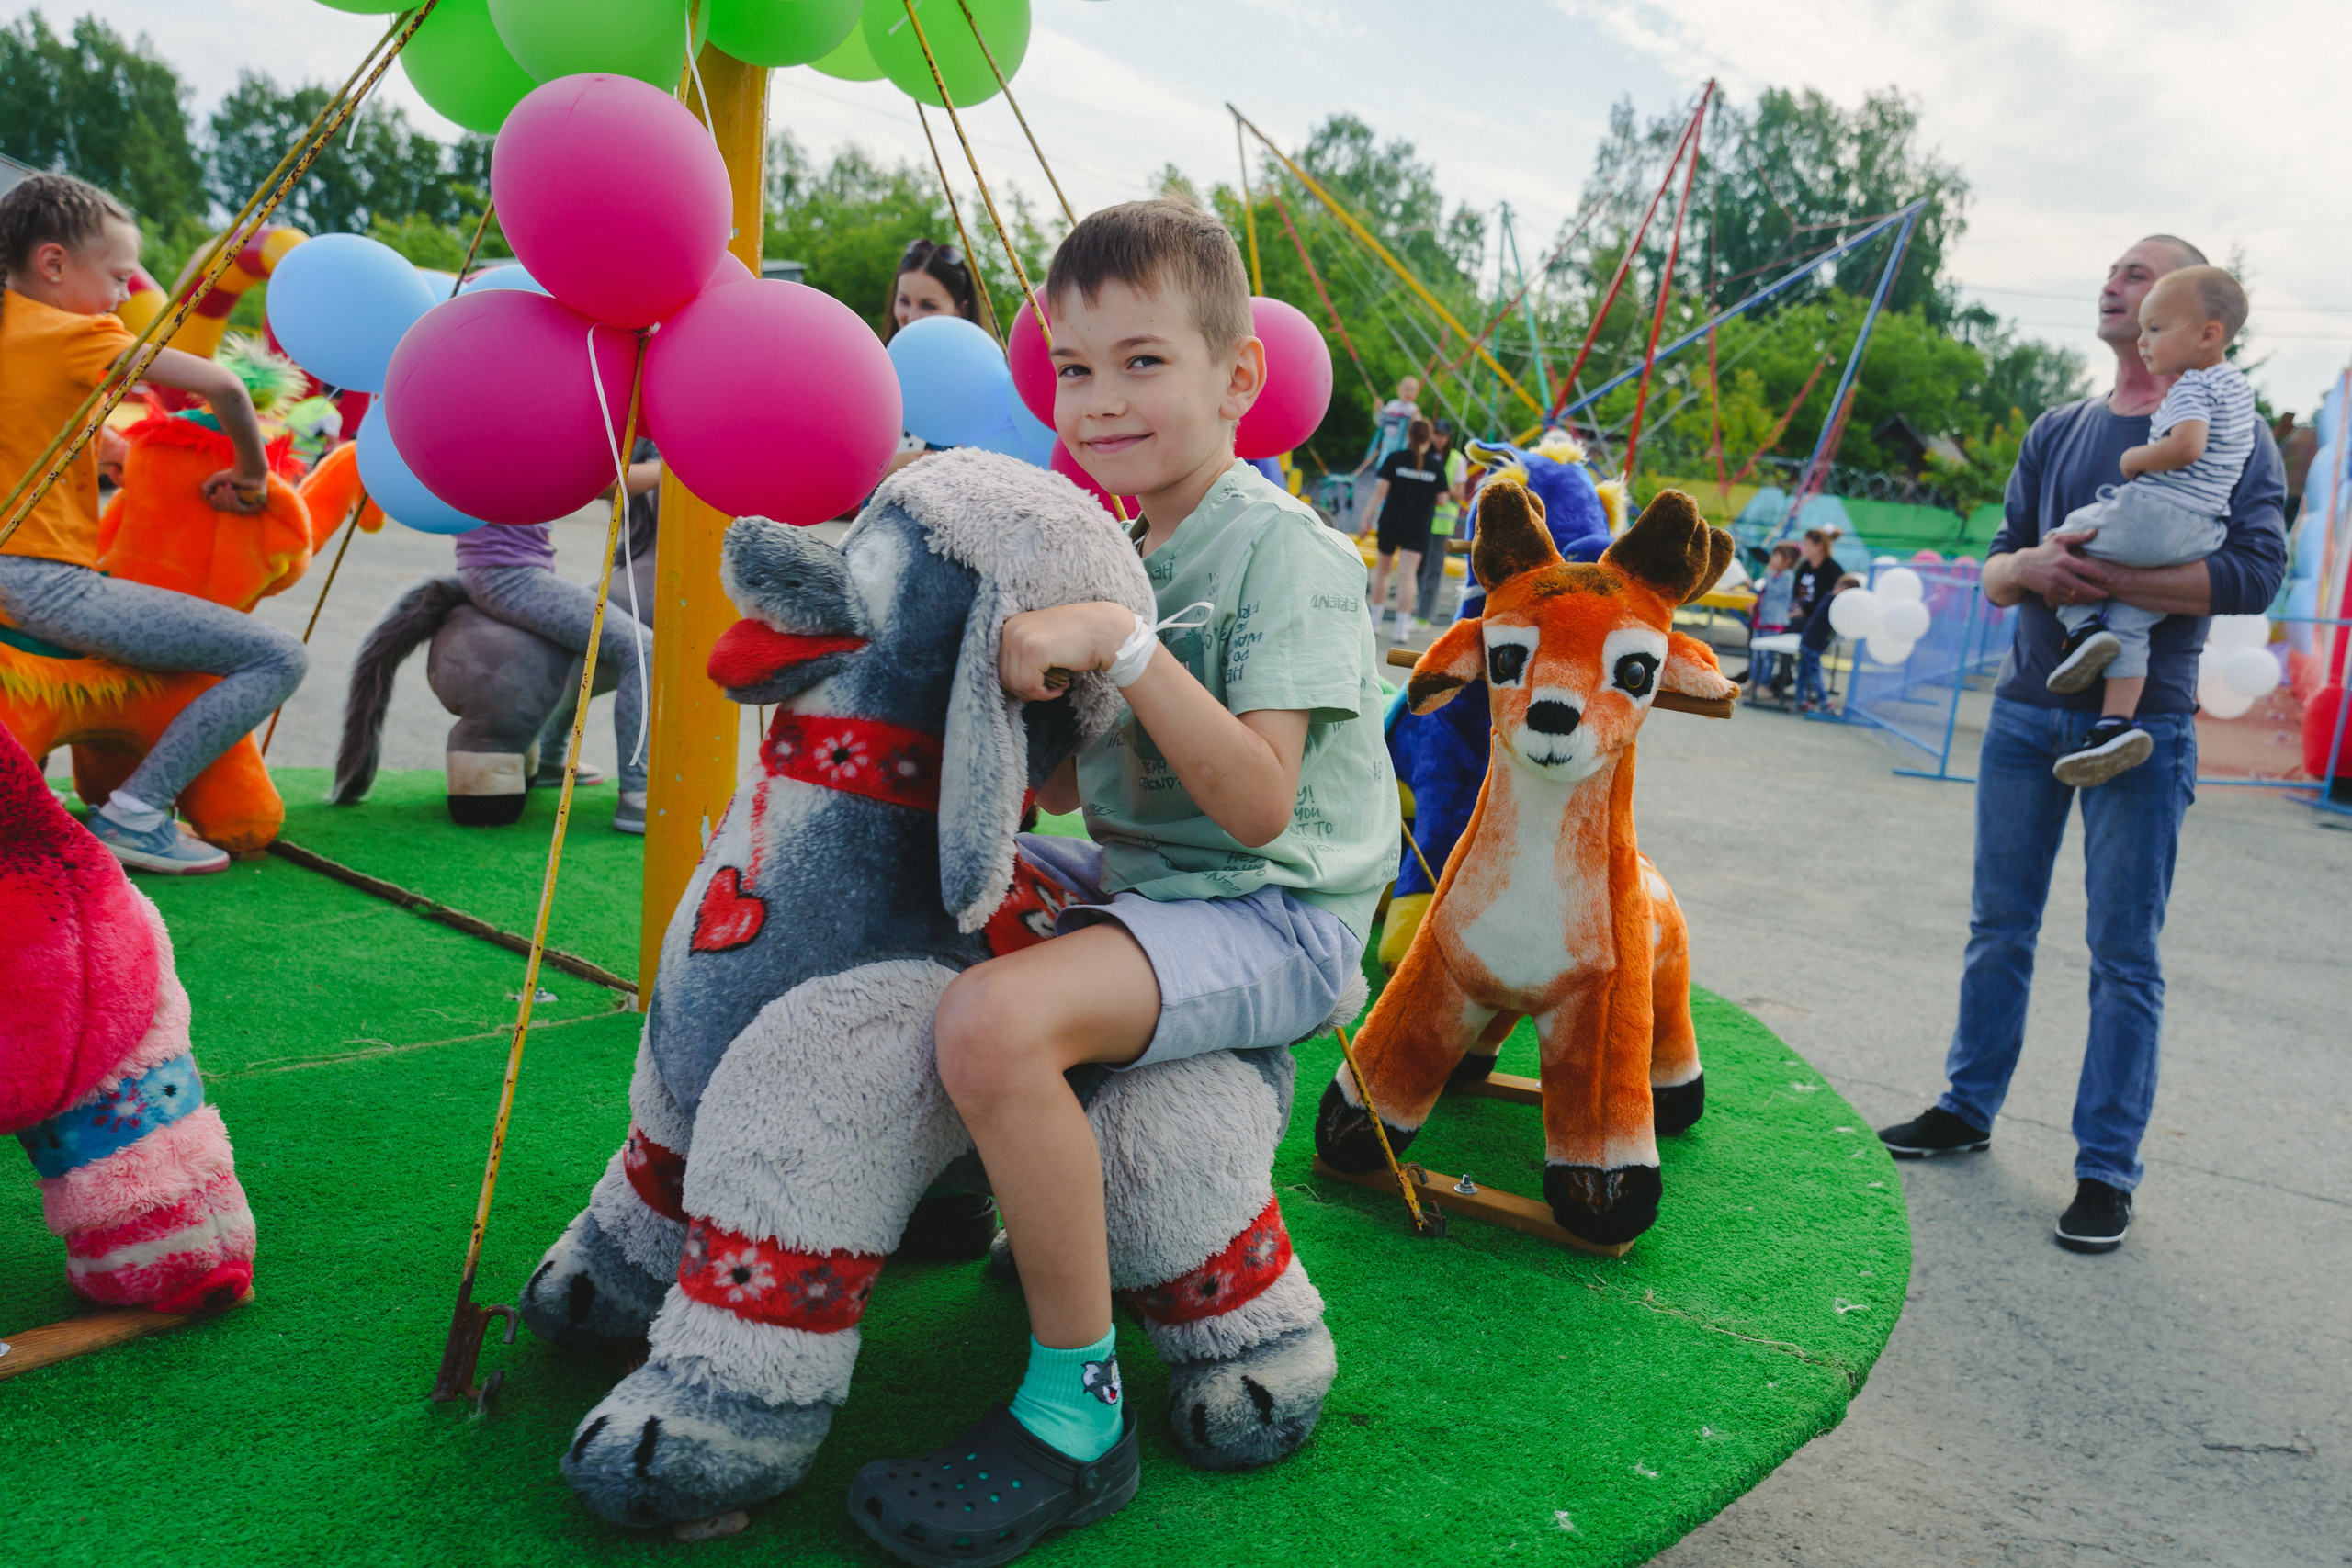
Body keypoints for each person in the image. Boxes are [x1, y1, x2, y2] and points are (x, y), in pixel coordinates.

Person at [848, 197, 1395, 1560]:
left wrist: (1126, 647)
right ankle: (941, 1184)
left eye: (1144, 360)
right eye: (1077, 369)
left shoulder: (1287, 553)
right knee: (915, 868)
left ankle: (1077, 1404)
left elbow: (1263, 804)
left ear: (1238, 377)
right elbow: (1074, 792)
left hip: (1275, 907)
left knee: (994, 1019)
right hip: (1158, 878)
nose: (1101, 400)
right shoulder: (1121, 540)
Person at [1877, 235, 2287, 1255]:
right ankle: (1965, 1111)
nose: (2116, 283)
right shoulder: (2060, 427)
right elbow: (1998, 570)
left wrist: (2109, 586)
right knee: (1997, 926)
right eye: (2113, 269)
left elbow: (2253, 575)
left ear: (2197, 318)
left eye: (2142, 273)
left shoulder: (2233, 432)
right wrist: (2031, 568)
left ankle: (2105, 1171)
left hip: (2140, 726)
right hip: (2025, 709)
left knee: (2123, 955)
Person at [0, 174, 301, 875]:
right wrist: (253, 475)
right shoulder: (77, 332)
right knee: (278, 657)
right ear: (53, 265)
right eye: (117, 277)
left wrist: (109, 450)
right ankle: (136, 812)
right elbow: (226, 387)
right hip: (45, 582)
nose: (119, 296)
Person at [2043, 266, 2256, 786]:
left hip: (2158, 515)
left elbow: (2186, 447)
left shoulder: (2189, 388)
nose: (2143, 342)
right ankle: (2115, 725)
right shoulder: (2240, 391)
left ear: (2208, 335)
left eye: (2156, 329)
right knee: (2132, 623)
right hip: (2202, 533)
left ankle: (2082, 627)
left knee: (2064, 542)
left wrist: (2135, 458)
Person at [449, 458, 657, 831]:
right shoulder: (516, 428)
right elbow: (600, 481)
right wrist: (669, 470)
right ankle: (637, 796)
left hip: (506, 569)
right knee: (643, 650)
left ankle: (551, 759)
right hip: (510, 575)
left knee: (587, 645)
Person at [880, 237, 986, 479]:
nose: (912, 316)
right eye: (904, 301)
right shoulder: (873, 370)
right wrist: (887, 467)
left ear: (960, 309)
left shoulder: (982, 385)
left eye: (928, 305)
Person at [1363, 417, 1447, 644]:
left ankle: (1375, 621)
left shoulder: (1394, 459)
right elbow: (1442, 500)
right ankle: (1401, 628)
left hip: (1391, 521)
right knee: (1407, 575)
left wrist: (1366, 518)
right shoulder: (1435, 466)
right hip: (1418, 525)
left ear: (1408, 436)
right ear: (1429, 439)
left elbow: (1380, 492)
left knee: (1382, 571)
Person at [1410, 421, 1465, 629]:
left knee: (1433, 570)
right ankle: (1414, 610)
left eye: (1443, 435)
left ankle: (1424, 616)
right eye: (1436, 434)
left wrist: (1440, 484)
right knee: (1416, 568)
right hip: (1421, 518)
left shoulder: (1456, 460)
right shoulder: (1423, 454)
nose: (1439, 439)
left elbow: (1459, 495)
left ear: (1449, 437)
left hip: (1441, 523)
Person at [1793, 571, 1860, 712]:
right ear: (1844, 590)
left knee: (1804, 673)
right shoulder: (1833, 603)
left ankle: (1800, 700)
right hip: (1813, 644)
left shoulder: (1829, 599)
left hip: (1809, 642)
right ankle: (1823, 701)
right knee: (1814, 673)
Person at [1746, 541, 1801, 693]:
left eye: (1776, 556)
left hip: (1774, 621)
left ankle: (1763, 683)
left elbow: (1776, 592)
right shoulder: (1771, 575)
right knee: (1756, 654)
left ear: (1787, 560)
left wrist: (1768, 575)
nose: (1772, 559)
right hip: (1761, 619)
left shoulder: (1788, 576)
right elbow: (1763, 594)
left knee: (1767, 655)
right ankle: (1752, 680)